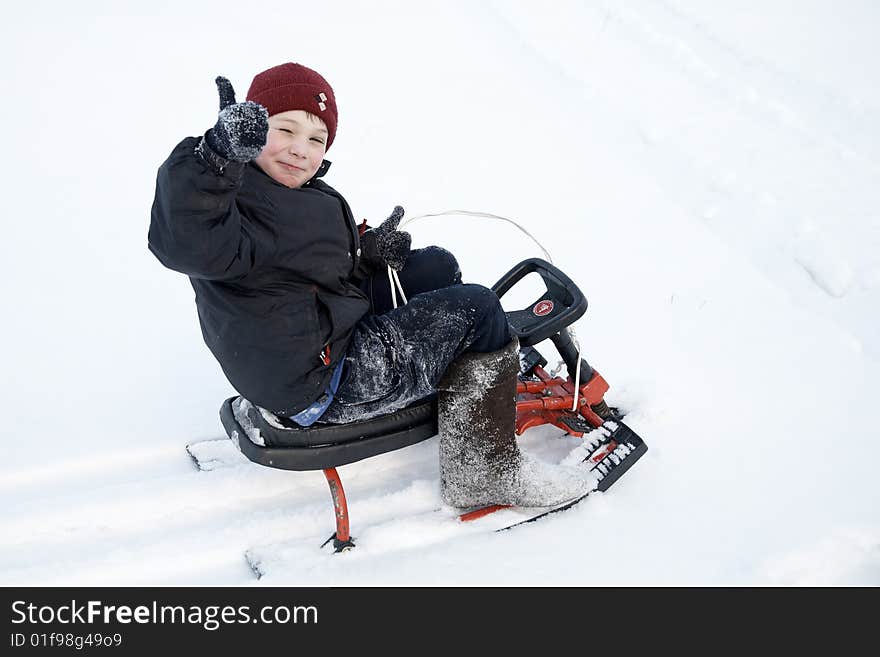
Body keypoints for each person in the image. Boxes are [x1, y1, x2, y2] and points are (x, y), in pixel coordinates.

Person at [149, 62, 593, 507]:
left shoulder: (287, 192)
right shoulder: (225, 202)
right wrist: (213, 157)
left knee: (435, 266)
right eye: (285, 130)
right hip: (321, 380)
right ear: (248, 128)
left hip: (307, 341)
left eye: (316, 139)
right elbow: (188, 240)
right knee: (476, 308)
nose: (300, 150)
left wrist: (366, 255)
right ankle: (484, 471)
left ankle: (465, 369)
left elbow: (305, 268)